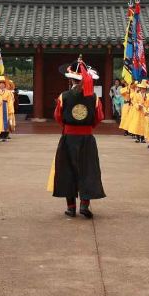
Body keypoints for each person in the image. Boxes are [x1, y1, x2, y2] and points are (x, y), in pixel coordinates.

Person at [51, 58, 105, 218]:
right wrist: (87, 128)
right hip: (87, 138)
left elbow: (58, 116)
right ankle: (84, 206)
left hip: (69, 138)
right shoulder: (94, 97)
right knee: (88, 170)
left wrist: (69, 127)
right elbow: (99, 117)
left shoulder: (64, 96)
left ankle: (70, 207)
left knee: (67, 170)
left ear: (71, 79)